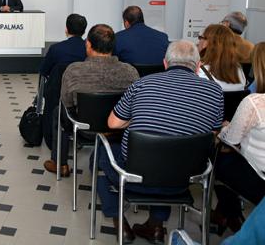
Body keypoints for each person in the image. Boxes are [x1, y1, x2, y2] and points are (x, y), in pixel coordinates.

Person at [99, 41, 223, 243]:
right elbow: (214, 130)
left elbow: (112, 123)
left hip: (133, 175)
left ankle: (120, 223)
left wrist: (140, 116)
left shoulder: (143, 84)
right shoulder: (215, 91)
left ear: (165, 63)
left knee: (101, 157)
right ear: (198, 66)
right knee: (170, 156)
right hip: (184, 179)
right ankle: (156, 225)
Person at [43, 24, 139, 176]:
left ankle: (59, 163)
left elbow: (67, 103)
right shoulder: (130, 72)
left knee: (58, 112)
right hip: (117, 129)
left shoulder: (74, 70)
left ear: (88, 44)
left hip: (83, 128)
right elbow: (135, 105)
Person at [212, 42, 265, 235]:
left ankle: (231, 214)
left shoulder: (254, 102)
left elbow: (231, 140)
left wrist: (225, 127)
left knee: (217, 160)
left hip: (258, 179)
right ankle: (226, 214)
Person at [197, 24, 246, 91]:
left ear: (206, 43)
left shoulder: (200, 73)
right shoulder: (239, 72)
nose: (198, 42)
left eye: (200, 37)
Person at [39, 13, 87, 78]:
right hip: (82, 86)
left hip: (58, 87)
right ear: (84, 32)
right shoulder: (89, 50)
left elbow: (44, 71)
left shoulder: (55, 48)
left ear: (66, 30)